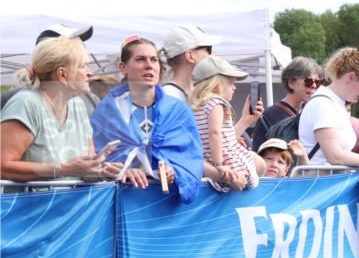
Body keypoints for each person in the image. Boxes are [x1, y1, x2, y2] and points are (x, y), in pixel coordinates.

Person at [90, 36, 215, 202]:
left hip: (166, 204)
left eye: (154, 60)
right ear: (123, 67)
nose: (149, 65)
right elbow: (95, 161)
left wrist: (174, 171)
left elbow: (190, 157)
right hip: (122, 202)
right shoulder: (108, 111)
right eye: (140, 59)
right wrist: (123, 170)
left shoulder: (177, 110)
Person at [1, 36, 118, 182]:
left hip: (72, 197)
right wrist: (61, 170)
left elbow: (85, 170)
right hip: (36, 198)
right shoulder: (26, 103)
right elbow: (2, 166)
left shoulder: (78, 105)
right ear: (62, 74)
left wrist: (102, 171)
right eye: (83, 66)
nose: (89, 72)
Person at [190, 56, 266, 190]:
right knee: (257, 168)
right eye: (231, 83)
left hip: (208, 162)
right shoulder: (216, 103)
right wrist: (219, 165)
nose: (234, 87)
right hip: (227, 163)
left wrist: (245, 120)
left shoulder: (195, 106)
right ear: (216, 83)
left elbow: (222, 137)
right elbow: (215, 133)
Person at [251, 57, 323, 151]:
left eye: (317, 82)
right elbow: (257, 152)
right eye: (309, 81)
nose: (314, 86)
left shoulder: (310, 113)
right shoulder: (269, 115)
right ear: (291, 83)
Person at [158, 24, 221, 103]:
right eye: (208, 49)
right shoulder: (168, 98)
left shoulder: (196, 94)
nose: (212, 55)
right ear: (190, 56)